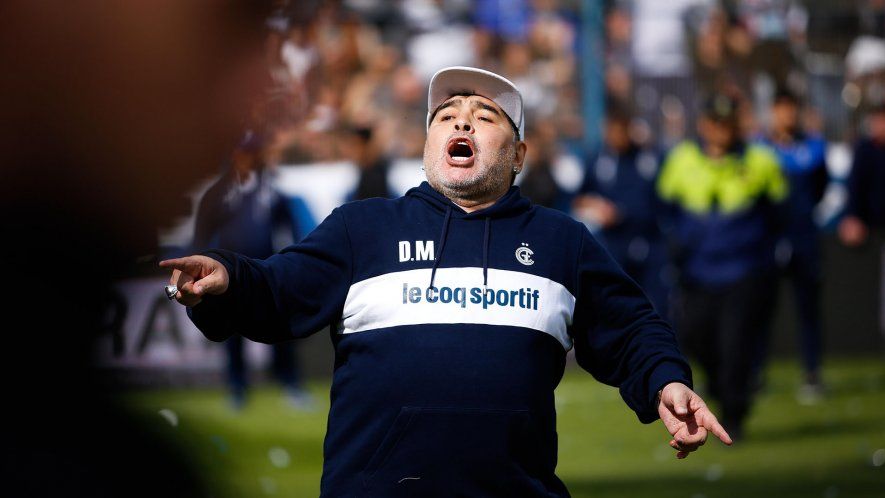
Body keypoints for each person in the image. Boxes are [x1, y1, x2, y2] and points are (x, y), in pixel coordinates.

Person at [162, 66, 731, 497]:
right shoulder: (363, 228)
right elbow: (277, 289)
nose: (461, 120)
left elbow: (632, 327)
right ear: (429, 146)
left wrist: (664, 382)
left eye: (485, 116)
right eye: (446, 115)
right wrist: (228, 276)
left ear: (518, 156)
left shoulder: (564, 241)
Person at [658, 93, 788, 440]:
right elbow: (666, 210)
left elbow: (779, 212)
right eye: (715, 123)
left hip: (744, 270)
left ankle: (734, 414)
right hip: (697, 272)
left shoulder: (760, 160)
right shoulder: (682, 160)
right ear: (704, 125)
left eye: (727, 124)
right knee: (695, 337)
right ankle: (720, 387)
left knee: (736, 344)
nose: (721, 131)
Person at [193, 130, 313, 410]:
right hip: (228, 273)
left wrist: (295, 259)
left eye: (253, 153)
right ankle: (237, 389)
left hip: (265, 270)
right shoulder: (221, 191)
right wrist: (199, 260)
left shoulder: (270, 188)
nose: (248, 159)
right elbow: (203, 230)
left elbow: (291, 226)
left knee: (280, 327)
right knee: (232, 333)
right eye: (244, 153)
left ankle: (290, 384)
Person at [758, 89, 829, 402]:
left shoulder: (813, 147)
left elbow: (821, 188)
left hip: (804, 238)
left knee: (808, 308)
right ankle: (755, 372)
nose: (786, 115)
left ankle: (812, 372)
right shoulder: (760, 149)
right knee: (760, 309)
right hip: (768, 239)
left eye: (791, 108)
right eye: (781, 108)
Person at [574, 109, 670, 317]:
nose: (616, 136)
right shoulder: (599, 160)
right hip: (612, 244)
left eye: (621, 130)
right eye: (611, 130)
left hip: (647, 241)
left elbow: (660, 202)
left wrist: (621, 213)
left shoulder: (649, 159)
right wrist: (596, 207)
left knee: (655, 307)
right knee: (613, 306)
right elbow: (580, 199)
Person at [839, 104, 885, 248]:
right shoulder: (864, 150)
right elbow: (855, 186)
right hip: (870, 227)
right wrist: (852, 217)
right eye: (877, 120)